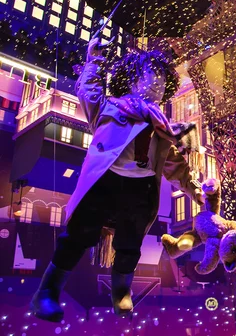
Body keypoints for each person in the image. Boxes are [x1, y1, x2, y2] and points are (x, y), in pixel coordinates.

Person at [30, 38, 203, 322]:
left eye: (162, 80)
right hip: (104, 183)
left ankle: (121, 291)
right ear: (132, 79)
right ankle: (47, 292)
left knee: (130, 242)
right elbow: (89, 90)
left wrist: (196, 190)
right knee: (76, 238)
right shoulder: (108, 108)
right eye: (151, 76)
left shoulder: (163, 128)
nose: (157, 84)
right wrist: (95, 59)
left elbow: (176, 167)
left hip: (140, 189)